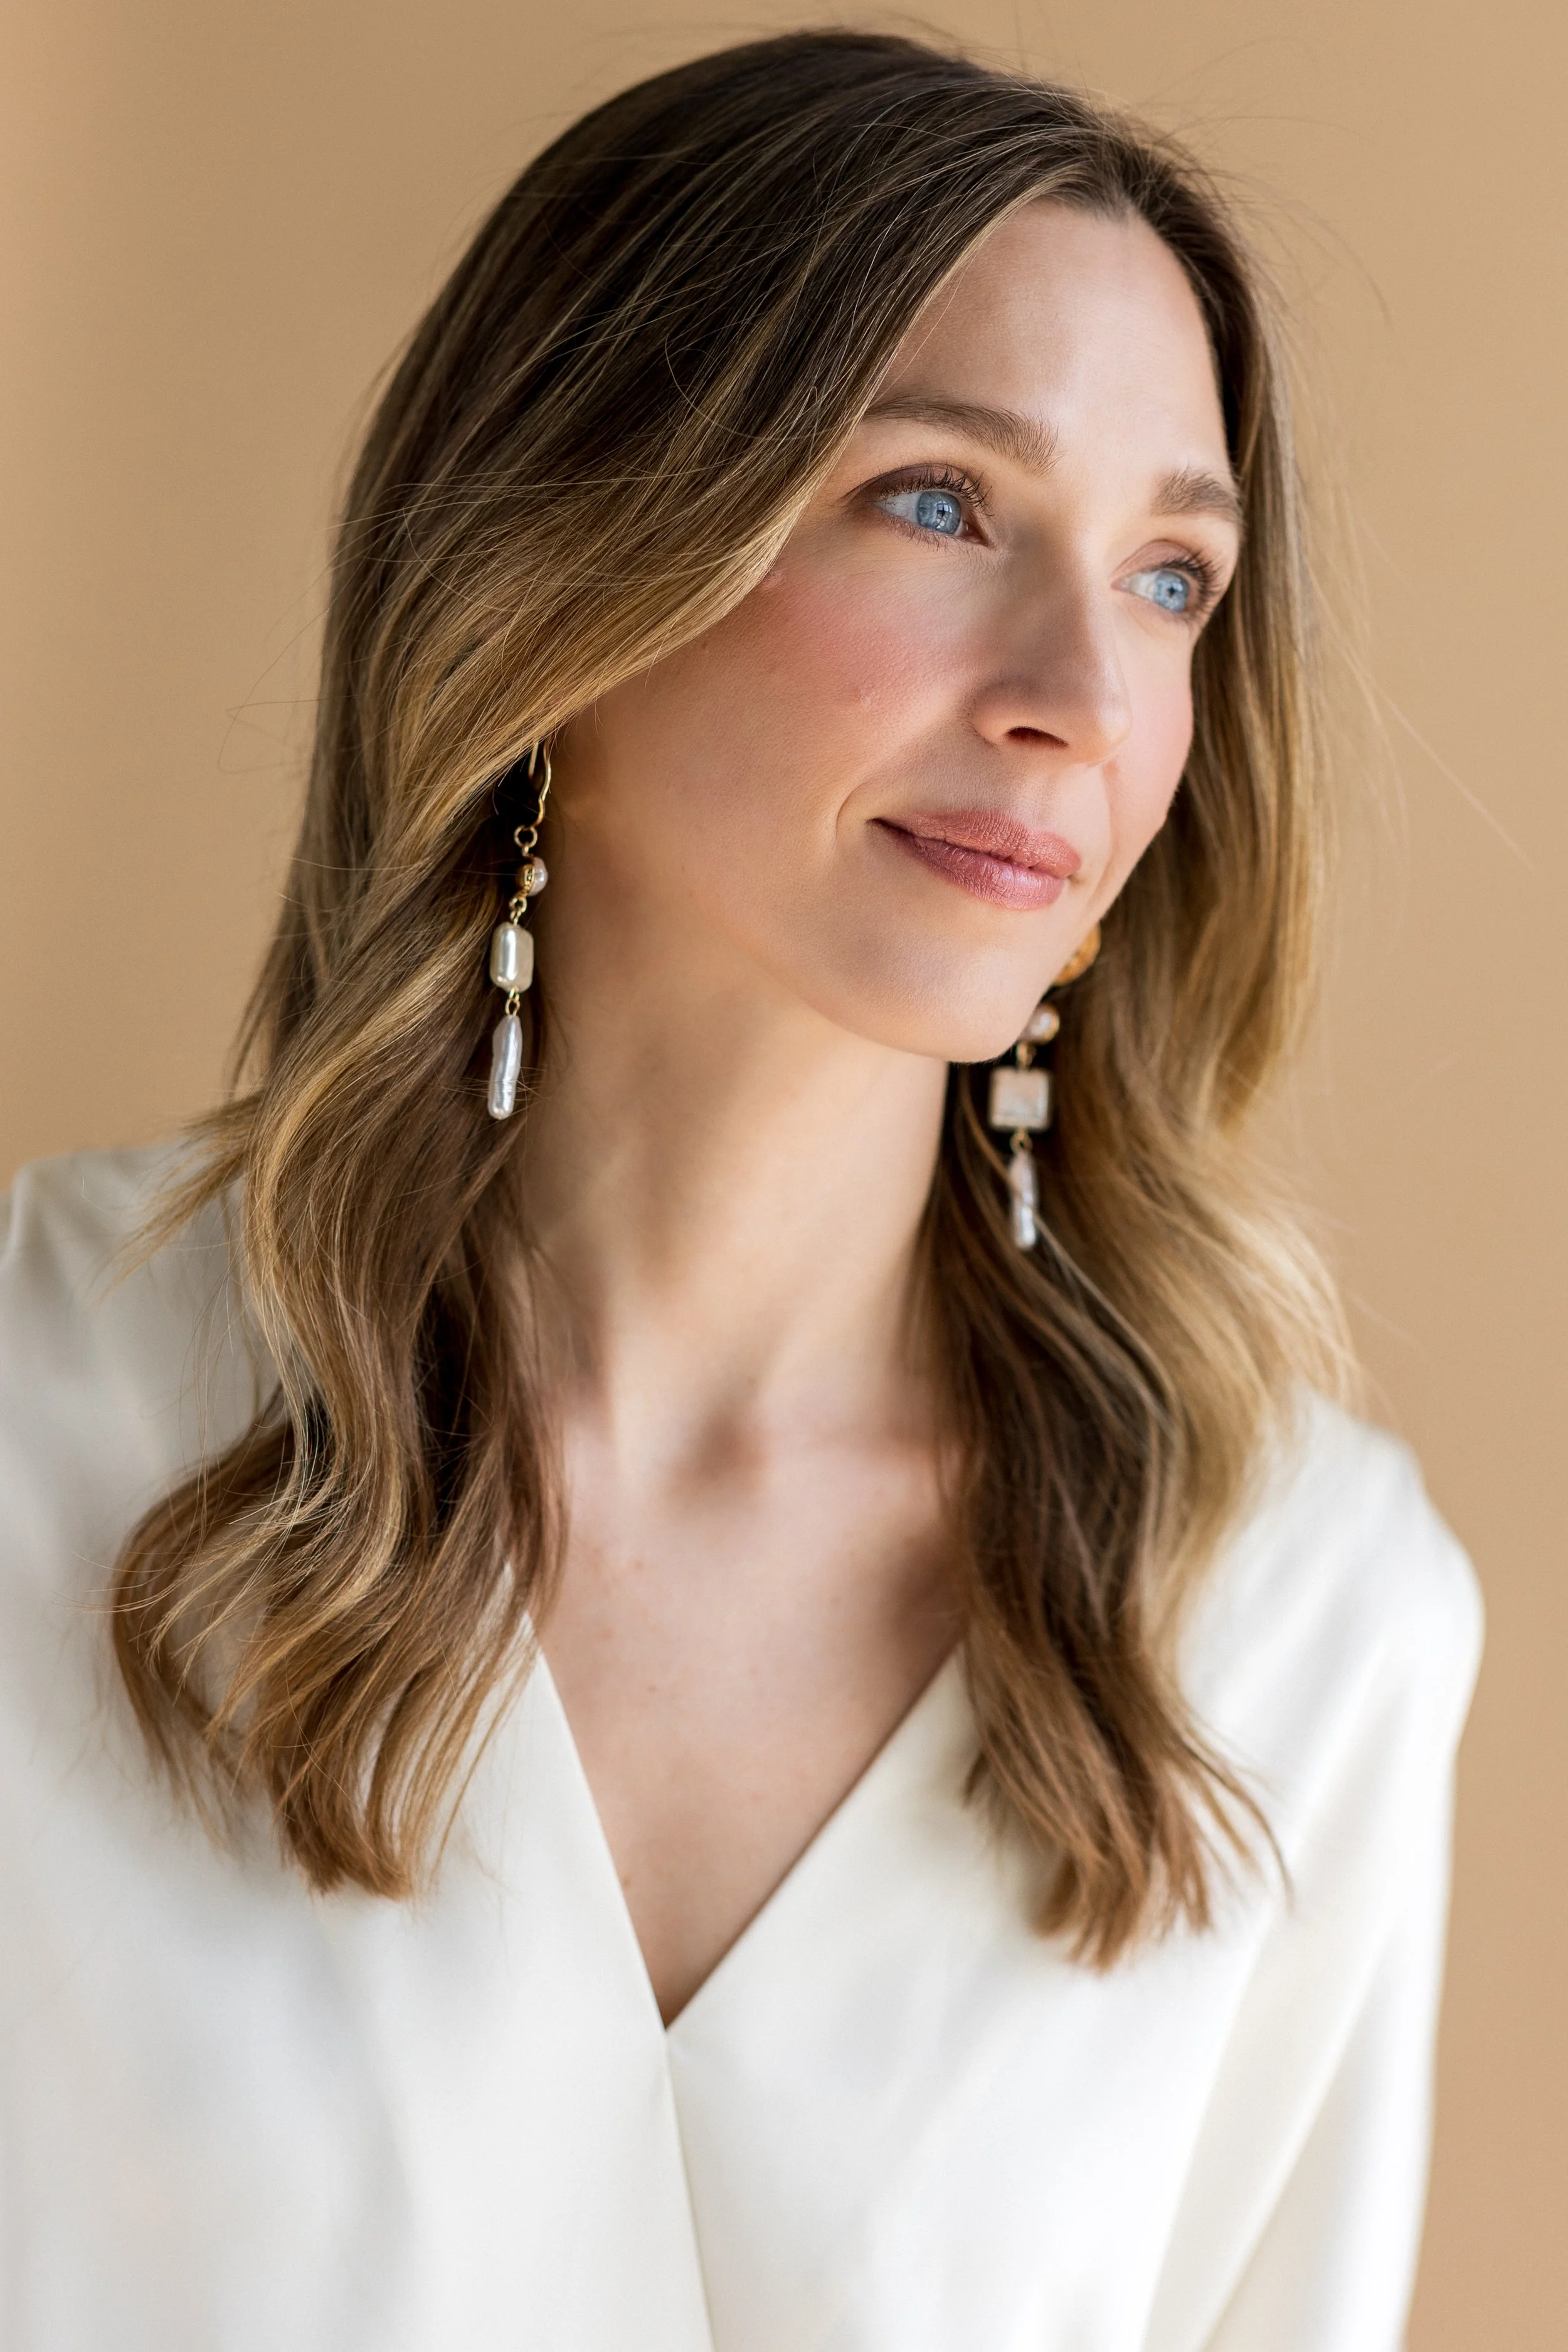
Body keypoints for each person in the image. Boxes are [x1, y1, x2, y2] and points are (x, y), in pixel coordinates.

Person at [0, 30, 1480, 2351]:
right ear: (561, 566)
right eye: (936, 503)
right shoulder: (35, 1411)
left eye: (1176, 574)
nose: (1083, 694)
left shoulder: (1298, 1615)